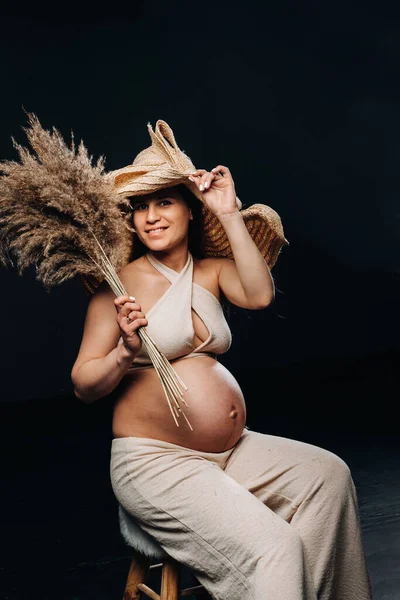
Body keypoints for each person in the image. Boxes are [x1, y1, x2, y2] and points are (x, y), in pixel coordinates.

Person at [71, 120, 372, 600]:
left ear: (190, 210)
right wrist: (125, 351)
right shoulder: (117, 287)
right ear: (129, 219)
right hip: (157, 464)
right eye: (140, 207)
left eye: (164, 202)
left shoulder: (210, 271)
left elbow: (258, 294)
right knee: (274, 546)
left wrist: (229, 213)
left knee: (328, 476)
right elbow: (85, 384)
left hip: (230, 453)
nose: (151, 216)